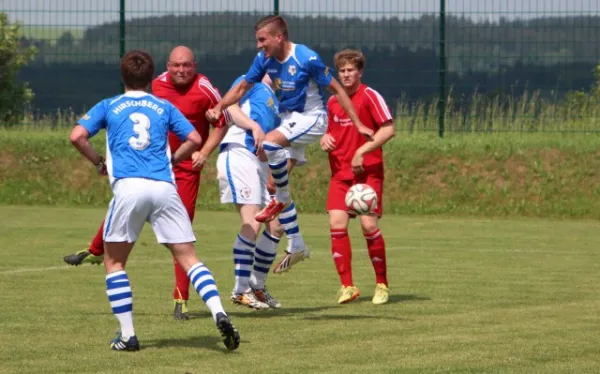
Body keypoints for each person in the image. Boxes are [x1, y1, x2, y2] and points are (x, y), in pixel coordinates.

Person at [69, 49, 240, 351]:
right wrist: (175, 158)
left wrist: (98, 161)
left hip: (129, 188)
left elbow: (77, 136)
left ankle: (127, 336)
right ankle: (219, 312)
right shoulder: (164, 106)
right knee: (189, 258)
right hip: (164, 187)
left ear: (123, 76)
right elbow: (196, 140)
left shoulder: (109, 105)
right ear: (152, 78)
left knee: (115, 262)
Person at [205, 15, 375, 274]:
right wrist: (219, 106)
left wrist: (360, 124)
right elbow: (241, 87)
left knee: (269, 145)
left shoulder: (306, 57)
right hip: (288, 120)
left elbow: (338, 90)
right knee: (271, 179)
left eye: (263, 40)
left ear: (279, 37)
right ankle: (296, 244)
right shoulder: (264, 59)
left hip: (312, 117)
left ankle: (280, 201)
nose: (259, 45)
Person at [320, 49, 394, 305]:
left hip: (367, 173)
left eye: (351, 70)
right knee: (337, 225)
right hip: (340, 175)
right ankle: (347, 286)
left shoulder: (370, 96)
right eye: (342, 71)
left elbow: (389, 129)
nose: (346, 74)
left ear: (360, 72)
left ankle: (382, 284)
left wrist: (362, 151)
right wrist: (325, 139)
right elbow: (330, 133)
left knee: (368, 226)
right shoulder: (332, 102)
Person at [216, 74, 284, 309]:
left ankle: (257, 286)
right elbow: (230, 106)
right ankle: (240, 290)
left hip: (258, 163)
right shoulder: (250, 79)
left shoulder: (278, 99)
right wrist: (252, 125)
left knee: (276, 226)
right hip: (239, 153)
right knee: (253, 221)